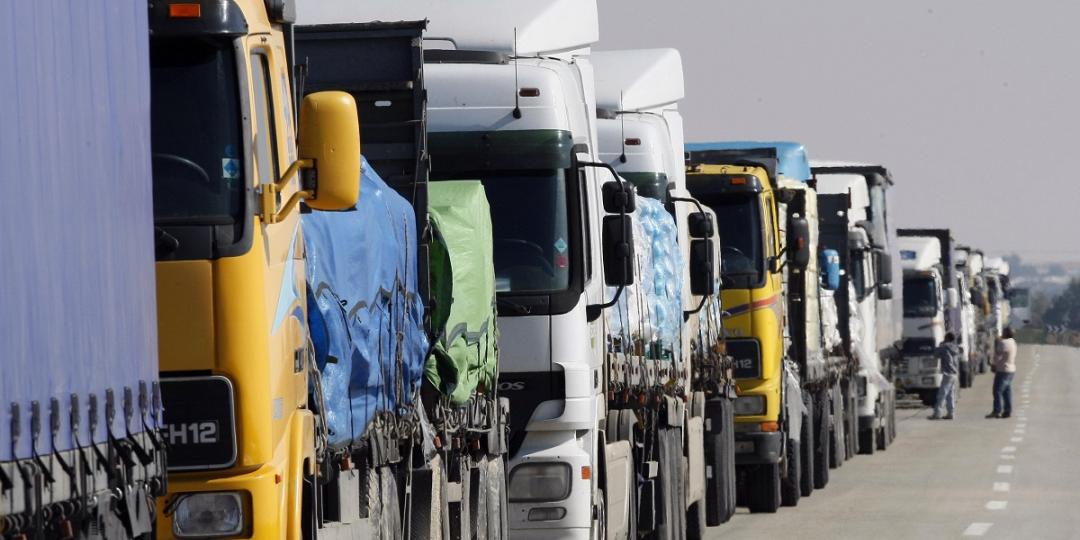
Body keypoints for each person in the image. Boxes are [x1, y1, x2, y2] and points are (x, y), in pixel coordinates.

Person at [929, 333, 961, 420]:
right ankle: (951, 413)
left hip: (947, 373)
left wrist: (939, 345)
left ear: (947, 338)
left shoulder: (944, 347)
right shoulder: (955, 347)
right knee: (950, 395)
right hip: (954, 373)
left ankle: (937, 413)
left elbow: (935, 354)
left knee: (942, 394)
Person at [987, 327, 1018, 418]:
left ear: (1006, 333)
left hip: (1003, 370)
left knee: (997, 391)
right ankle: (1007, 410)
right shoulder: (1013, 342)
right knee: (1006, 391)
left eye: (1003, 332)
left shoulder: (1004, 343)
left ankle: (997, 410)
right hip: (1011, 369)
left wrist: (993, 364)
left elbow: (998, 355)